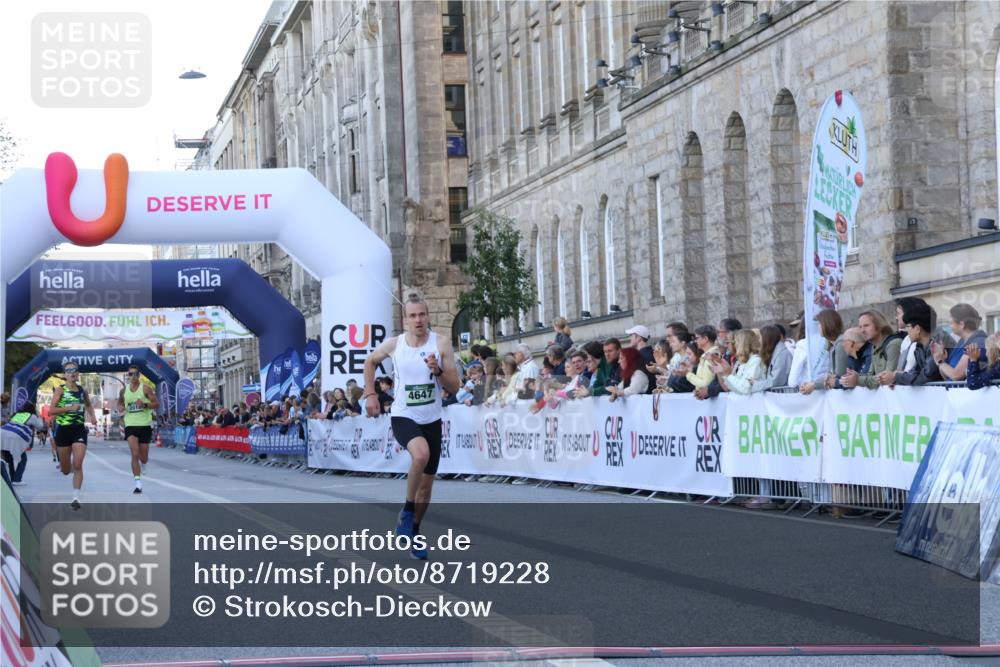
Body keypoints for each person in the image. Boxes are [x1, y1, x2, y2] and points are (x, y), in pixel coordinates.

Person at [364, 295, 460, 560]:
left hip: (432, 418)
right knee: (420, 455)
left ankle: (414, 530)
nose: (418, 320)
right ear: (405, 319)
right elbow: (369, 362)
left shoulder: (440, 343)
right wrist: (370, 394)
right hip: (403, 415)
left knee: (426, 488)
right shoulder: (395, 345)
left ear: (428, 316)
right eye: (413, 315)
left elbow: (455, 387)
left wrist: (438, 371)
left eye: (422, 315)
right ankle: (407, 510)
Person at [51, 362, 98, 509]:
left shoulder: (82, 391)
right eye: (68, 370)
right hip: (63, 431)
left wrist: (93, 416)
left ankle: (76, 497)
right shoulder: (60, 390)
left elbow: (88, 404)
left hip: (79, 429)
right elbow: (51, 411)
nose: (71, 372)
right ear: (65, 374)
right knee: (66, 471)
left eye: (74, 370)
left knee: (78, 463)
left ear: (78, 373)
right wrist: (70, 408)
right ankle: (65, 465)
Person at [118, 365, 159, 494]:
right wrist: (120, 408)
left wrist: (145, 404)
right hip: (130, 425)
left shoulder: (145, 388)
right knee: (135, 454)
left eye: (135, 374)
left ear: (139, 376)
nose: (133, 376)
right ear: (128, 376)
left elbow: (156, 403)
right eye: (130, 374)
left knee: (143, 457)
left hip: (144, 425)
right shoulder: (123, 391)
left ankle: (144, 464)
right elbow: (120, 403)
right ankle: (138, 483)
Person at [891, 301, 942, 386]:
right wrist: (898, 378)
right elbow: (914, 373)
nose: (907, 330)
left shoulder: (936, 346)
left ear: (918, 329)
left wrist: (897, 376)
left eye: (908, 326)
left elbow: (923, 377)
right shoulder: (919, 348)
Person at [933, 303, 988, 382]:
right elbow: (948, 377)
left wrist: (940, 362)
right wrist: (942, 360)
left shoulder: (978, 342)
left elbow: (956, 375)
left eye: (951, 323)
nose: (949, 326)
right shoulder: (961, 342)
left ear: (961, 324)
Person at [848, 310, 901, 390]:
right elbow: (871, 376)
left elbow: (885, 379)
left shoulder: (893, 344)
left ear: (879, 325)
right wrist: (855, 376)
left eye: (866, 325)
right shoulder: (874, 347)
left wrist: (858, 380)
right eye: (860, 327)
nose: (862, 330)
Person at [1, 402, 47, 487]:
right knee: (23, 459)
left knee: (10, 459)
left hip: (2, 434)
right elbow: (40, 426)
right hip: (15, 436)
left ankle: (13, 478)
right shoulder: (32, 416)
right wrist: (39, 416)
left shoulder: (16, 414)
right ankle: (17, 479)